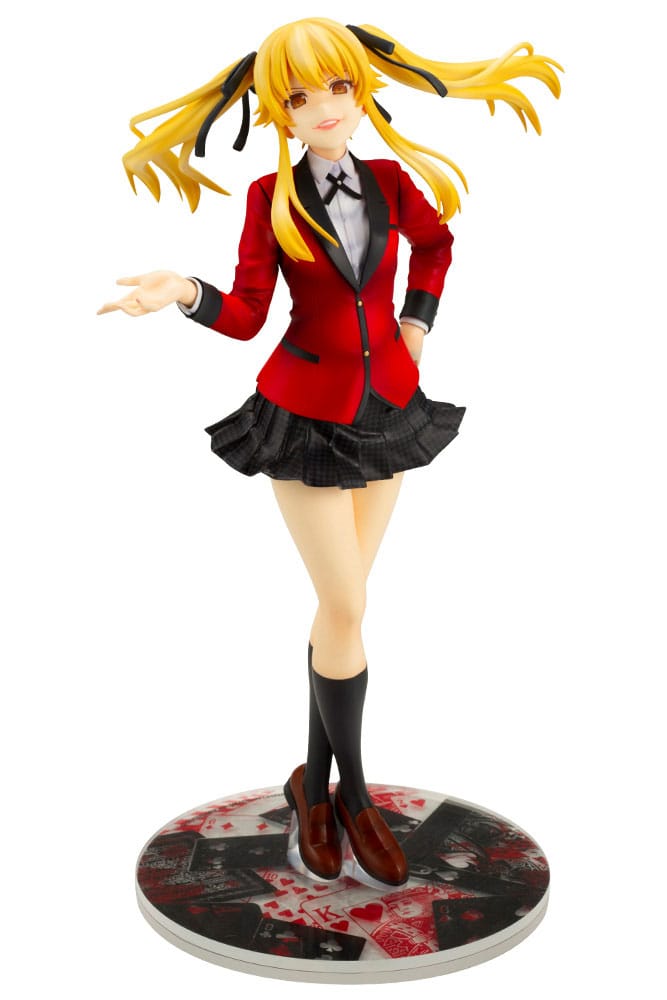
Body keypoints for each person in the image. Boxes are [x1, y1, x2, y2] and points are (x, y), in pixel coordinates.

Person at [99, 18, 561, 888]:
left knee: (340, 612)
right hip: (303, 414)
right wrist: (183, 291)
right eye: (299, 94)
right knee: (345, 602)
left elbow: (437, 244)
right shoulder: (265, 197)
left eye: (338, 88)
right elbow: (246, 316)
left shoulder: (389, 181)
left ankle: (311, 788)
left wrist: (416, 324)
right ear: (278, 110)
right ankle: (354, 796)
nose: (322, 107)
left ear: (361, 92)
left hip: (388, 408)